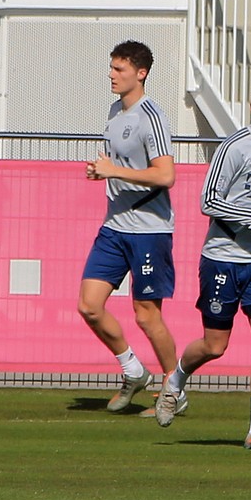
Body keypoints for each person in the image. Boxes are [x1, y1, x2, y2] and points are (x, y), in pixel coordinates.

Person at [154, 79, 251, 451]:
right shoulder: (233, 147)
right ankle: (175, 381)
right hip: (222, 258)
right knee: (214, 345)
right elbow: (209, 201)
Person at [78, 40, 184, 415]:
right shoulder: (114, 111)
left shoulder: (150, 117)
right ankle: (133, 369)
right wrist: (101, 173)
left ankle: (175, 387)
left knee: (146, 315)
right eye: (111, 67)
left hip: (149, 230)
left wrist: (113, 171)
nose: (111, 74)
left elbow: (166, 175)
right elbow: (120, 166)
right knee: (89, 306)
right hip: (115, 226)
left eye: (119, 69)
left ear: (141, 74)